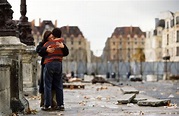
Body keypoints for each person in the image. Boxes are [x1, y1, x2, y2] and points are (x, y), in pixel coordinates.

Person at [42, 28, 69, 111]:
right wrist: (63, 47)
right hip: (59, 64)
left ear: (53, 35)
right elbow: (66, 53)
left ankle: (47, 105)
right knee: (59, 85)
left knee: (47, 85)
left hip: (49, 63)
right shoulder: (61, 43)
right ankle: (60, 104)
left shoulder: (47, 44)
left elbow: (42, 51)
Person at [36, 31, 57, 108]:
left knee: (54, 84)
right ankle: (44, 102)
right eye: (49, 38)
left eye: (52, 37)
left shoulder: (56, 42)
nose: (51, 39)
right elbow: (38, 50)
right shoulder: (42, 44)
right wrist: (46, 50)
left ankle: (54, 102)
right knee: (45, 84)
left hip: (55, 65)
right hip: (45, 65)